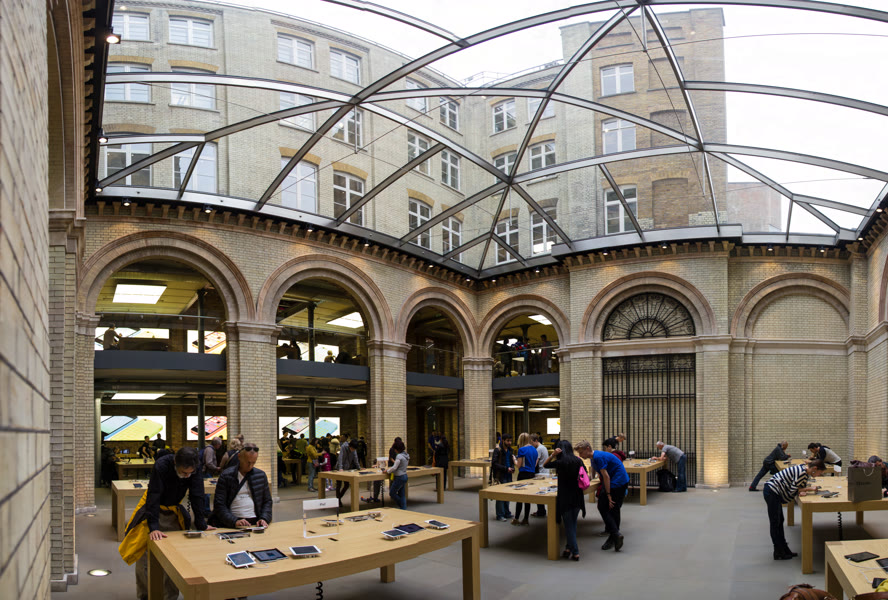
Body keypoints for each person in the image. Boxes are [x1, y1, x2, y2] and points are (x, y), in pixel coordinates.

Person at [119, 447, 212, 600]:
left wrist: (201, 523)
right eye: (184, 473)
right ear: (175, 462)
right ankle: (145, 595)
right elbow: (154, 495)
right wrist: (153, 527)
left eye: (190, 473)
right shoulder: (161, 465)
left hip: (173, 509)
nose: (187, 476)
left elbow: (197, 494)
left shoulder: (194, 467)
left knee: (174, 558)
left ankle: (170, 596)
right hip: (152, 508)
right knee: (143, 555)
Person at [764, 459, 826, 560]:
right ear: (815, 468)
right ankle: (778, 551)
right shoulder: (802, 473)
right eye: (820, 473)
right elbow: (793, 490)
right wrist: (809, 489)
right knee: (775, 522)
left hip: (773, 491)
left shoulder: (804, 470)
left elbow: (797, 487)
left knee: (780, 521)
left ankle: (784, 548)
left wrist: (802, 490)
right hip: (772, 491)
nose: (819, 475)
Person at [576, 440, 629, 552]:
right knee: (608, 508)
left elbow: (606, 476)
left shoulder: (598, 457)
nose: (580, 455)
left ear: (587, 449)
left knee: (609, 507)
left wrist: (608, 495)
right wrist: (587, 479)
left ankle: (615, 535)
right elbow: (594, 472)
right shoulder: (593, 457)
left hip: (618, 481)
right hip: (614, 480)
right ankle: (615, 536)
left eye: (581, 452)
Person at [209, 442, 272, 529]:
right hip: (232, 522)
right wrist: (234, 521)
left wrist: (264, 518)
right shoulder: (226, 475)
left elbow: (267, 501)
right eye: (247, 462)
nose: (250, 466)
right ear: (239, 457)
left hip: (255, 521)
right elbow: (219, 504)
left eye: (253, 463)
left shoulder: (261, 475)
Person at [543, 440, 586, 562]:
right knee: (573, 524)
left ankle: (575, 552)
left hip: (565, 497)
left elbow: (545, 465)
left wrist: (552, 455)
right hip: (577, 496)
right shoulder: (578, 460)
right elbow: (585, 473)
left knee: (568, 526)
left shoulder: (560, 462)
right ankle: (568, 548)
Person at [512, 433, 538, 526]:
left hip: (523, 475)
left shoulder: (521, 450)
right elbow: (535, 464)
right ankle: (526, 519)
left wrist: (514, 459)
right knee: (528, 498)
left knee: (519, 497)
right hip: (532, 475)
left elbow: (519, 465)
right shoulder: (534, 450)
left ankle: (516, 519)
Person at [490, 434, 515, 521]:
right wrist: (505, 468)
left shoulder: (510, 450)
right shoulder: (498, 450)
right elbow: (494, 464)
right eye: (508, 441)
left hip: (508, 475)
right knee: (500, 496)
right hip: (500, 475)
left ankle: (507, 513)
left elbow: (511, 461)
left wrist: (512, 468)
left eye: (510, 441)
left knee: (507, 494)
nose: (509, 442)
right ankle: (500, 515)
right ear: (503, 440)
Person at [386, 438, 410, 509]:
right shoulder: (406, 455)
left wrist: (387, 471)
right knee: (402, 494)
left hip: (399, 476)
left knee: (392, 493)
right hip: (404, 475)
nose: (394, 451)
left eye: (395, 449)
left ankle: (402, 505)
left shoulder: (399, 456)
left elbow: (394, 467)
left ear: (397, 449)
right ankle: (403, 508)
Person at [531, 434, 549, 517]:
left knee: (539, 493)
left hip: (541, 473)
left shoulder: (538, 449)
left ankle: (541, 511)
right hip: (545, 472)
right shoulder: (543, 447)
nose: (531, 445)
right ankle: (541, 510)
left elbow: (535, 462)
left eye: (532, 443)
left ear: (536, 441)